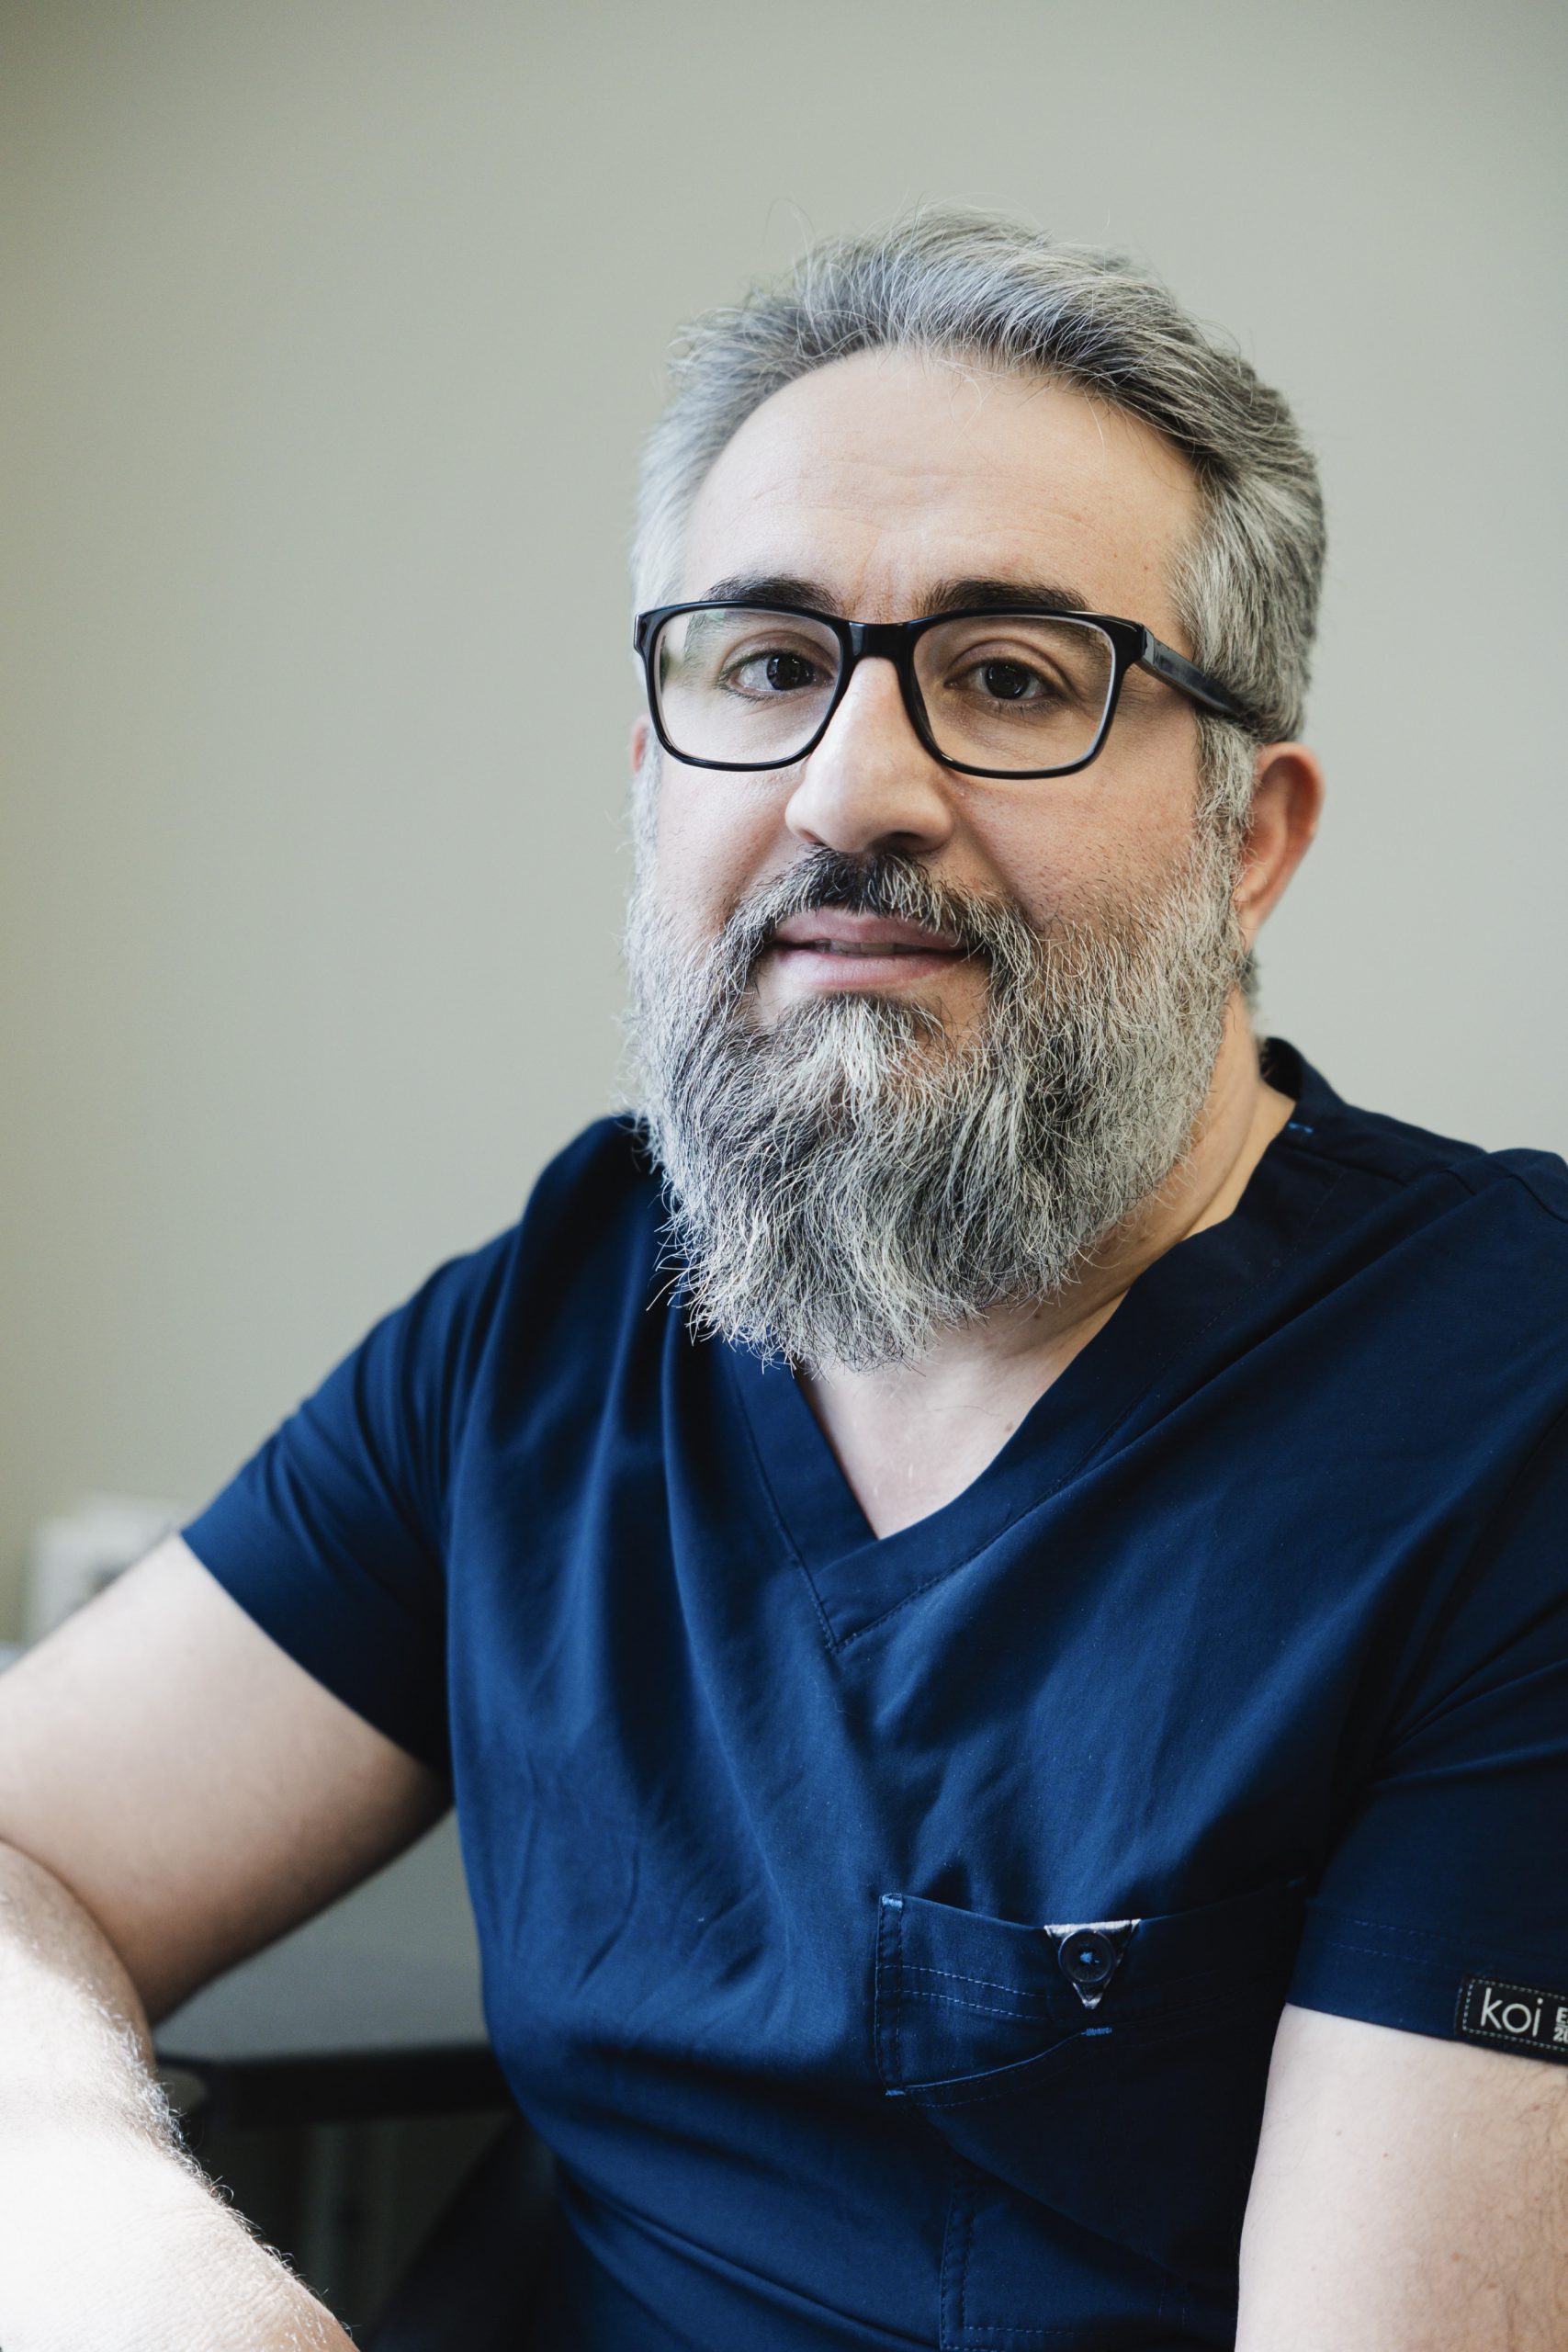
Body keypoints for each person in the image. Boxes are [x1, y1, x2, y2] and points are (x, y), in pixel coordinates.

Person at [1, 209, 1565, 2352]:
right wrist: (130, 2247)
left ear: (1249, 836)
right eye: (762, 665)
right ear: (654, 774)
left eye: (1010, 676)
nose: (850, 787)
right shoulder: (565, 1314)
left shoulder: (1508, 1419)